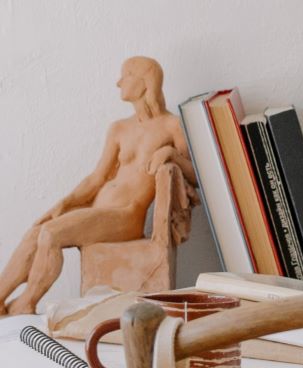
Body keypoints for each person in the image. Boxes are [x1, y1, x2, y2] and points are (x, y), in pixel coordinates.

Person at [0, 57, 197, 316]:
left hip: (126, 216)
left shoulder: (171, 126)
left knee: (51, 234)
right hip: (97, 208)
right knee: (35, 232)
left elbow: (194, 176)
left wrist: (171, 153)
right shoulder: (118, 128)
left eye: (125, 75)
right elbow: (96, 179)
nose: (118, 82)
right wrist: (66, 202)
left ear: (144, 81)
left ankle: (26, 302)